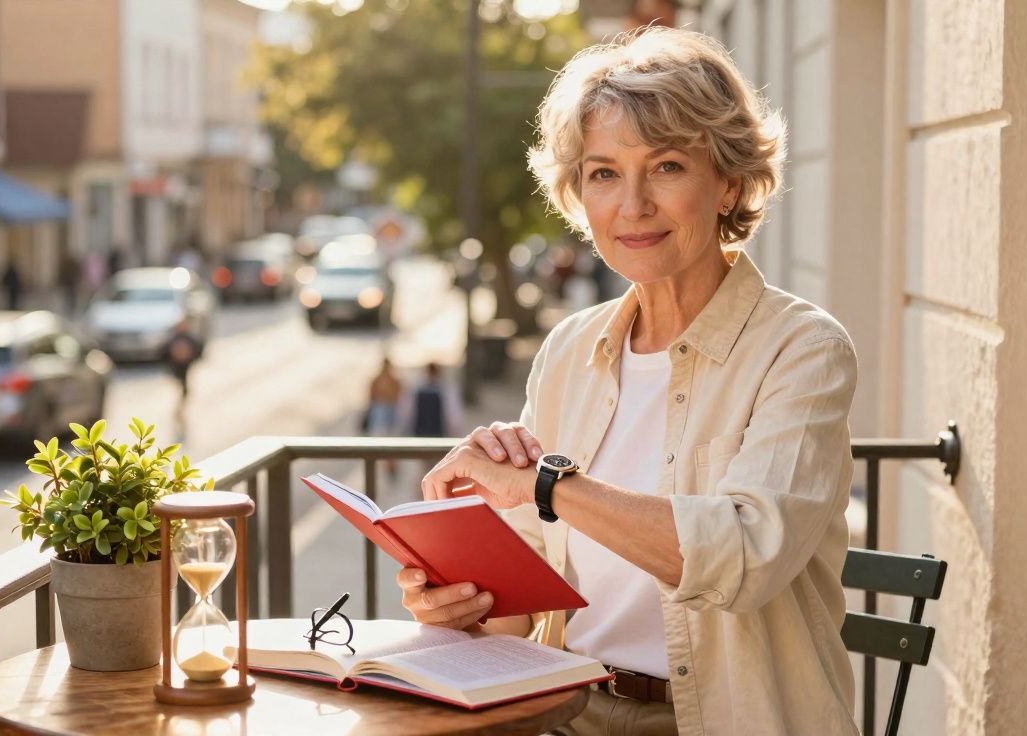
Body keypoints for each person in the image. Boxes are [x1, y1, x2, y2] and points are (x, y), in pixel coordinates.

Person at [397, 28, 858, 735]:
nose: (632, 205)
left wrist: (549, 485)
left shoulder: (802, 349)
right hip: (567, 710)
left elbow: (745, 555)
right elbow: (525, 605)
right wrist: (460, 596)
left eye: (667, 166)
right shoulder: (569, 351)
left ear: (728, 181)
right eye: (605, 173)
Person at [404, 362, 462, 438]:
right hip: (420, 429)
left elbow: (452, 411)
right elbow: (408, 410)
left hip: (438, 429)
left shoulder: (445, 389)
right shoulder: (417, 388)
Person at [164, 318, 203, 404]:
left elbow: (198, 350)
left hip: (185, 366)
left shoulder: (189, 338)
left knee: (185, 386)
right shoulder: (174, 339)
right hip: (176, 367)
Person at [365, 355, 403, 436]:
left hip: (390, 406)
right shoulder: (377, 379)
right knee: (379, 430)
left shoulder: (393, 380)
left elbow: (398, 393)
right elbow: (372, 394)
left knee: (390, 430)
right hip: (379, 407)